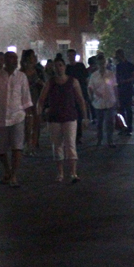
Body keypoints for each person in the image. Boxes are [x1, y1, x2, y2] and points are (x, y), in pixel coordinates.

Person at [0, 50, 33, 187]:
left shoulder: (21, 77)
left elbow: (26, 98)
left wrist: (29, 116)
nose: (14, 61)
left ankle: (14, 174)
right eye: (11, 58)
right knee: (2, 149)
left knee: (17, 147)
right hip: (0, 117)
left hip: (17, 116)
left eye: (15, 58)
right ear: (5, 61)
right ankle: (7, 170)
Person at [38, 55, 88, 183]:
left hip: (69, 116)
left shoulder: (73, 81)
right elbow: (41, 99)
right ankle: (60, 173)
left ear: (64, 67)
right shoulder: (50, 82)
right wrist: (40, 113)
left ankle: (73, 173)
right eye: (56, 66)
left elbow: (80, 99)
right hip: (54, 117)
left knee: (70, 144)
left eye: (60, 65)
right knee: (57, 145)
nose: (58, 68)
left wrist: (85, 116)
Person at [87, 52, 118, 147]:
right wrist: (92, 97)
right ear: (97, 64)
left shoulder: (111, 74)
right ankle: (99, 139)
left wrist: (117, 99)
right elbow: (90, 87)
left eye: (103, 63)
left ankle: (110, 140)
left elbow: (115, 87)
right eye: (100, 63)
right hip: (98, 102)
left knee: (110, 122)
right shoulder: (94, 75)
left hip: (110, 101)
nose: (102, 65)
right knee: (99, 123)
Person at [20, 49, 44, 155]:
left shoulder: (38, 70)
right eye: (32, 56)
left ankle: (33, 145)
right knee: (27, 123)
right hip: (25, 100)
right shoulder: (21, 72)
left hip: (36, 99)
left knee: (36, 123)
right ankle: (27, 144)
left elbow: (44, 83)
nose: (34, 57)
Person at [65, 49, 90, 144]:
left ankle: (78, 135)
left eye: (72, 55)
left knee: (79, 115)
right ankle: (73, 135)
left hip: (79, 93)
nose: (71, 57)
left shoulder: (80, 66)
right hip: (70, 95)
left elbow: (85, 80)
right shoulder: (67, 68)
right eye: (69, 55)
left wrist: (85, 94)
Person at [114, 49, 134, 134]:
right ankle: (124, 127)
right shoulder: (119, 66)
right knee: (122, 109)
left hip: (127, 88)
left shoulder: (129, 65)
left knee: (128, 109)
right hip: (122, 88)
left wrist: (126, 81)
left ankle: (129, 127)